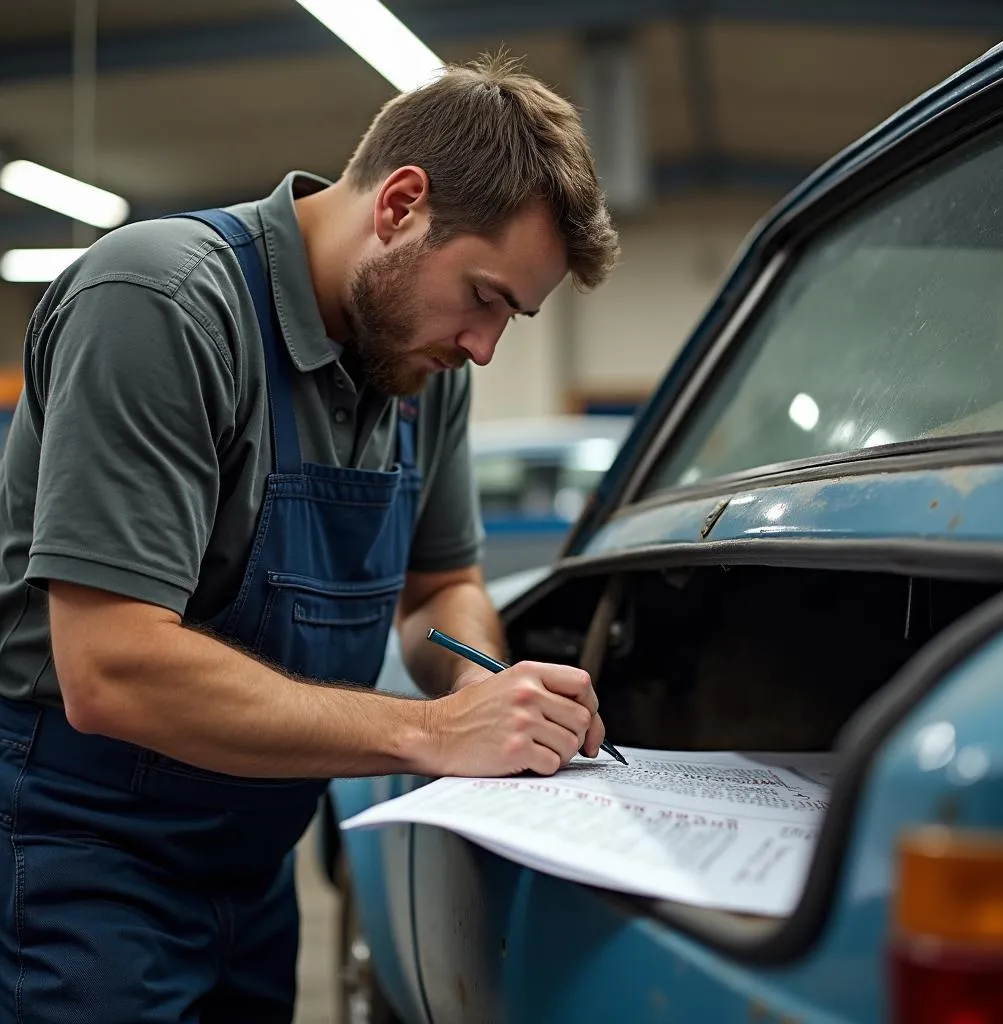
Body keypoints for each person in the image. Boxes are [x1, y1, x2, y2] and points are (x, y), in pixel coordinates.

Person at [0, 54, 619, 1022]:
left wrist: (479, 685)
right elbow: (110, 666)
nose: (485, 347)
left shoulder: (424, 373)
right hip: (80, 855)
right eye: (487, 297)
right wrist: (430, 732)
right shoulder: (162, 306)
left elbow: (442, 586)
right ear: (401, 205)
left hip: (253, 865)